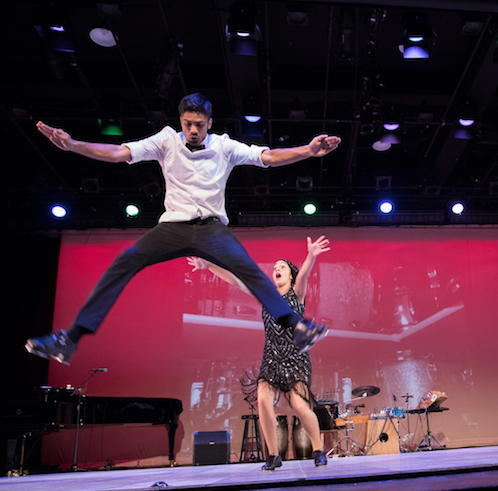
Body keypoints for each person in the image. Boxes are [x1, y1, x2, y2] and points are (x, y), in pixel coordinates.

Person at [25, 93, 340, 364]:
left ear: (210, 123)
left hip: (212, 230)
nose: (192, 130)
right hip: (172, 228)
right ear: (180, 121)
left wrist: (307, 151)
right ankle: (72, 338)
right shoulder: (166, 141)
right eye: (187, 123)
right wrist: (74, 145)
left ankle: (297, 327)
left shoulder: (225, 146)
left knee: (249, 269)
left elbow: (267, 157)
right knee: (125, 261)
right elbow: (121, 152)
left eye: (199, 124)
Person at [188, 235, 331, 469]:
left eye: (282, 267)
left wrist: (311, 255)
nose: (277, 269)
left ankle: (317, 448)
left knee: (299, 405)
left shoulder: (296, 294)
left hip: (296, 358)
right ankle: (273, 455)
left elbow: (304, 274)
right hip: (272, 358)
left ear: (289, 275)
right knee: (263, 401)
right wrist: (209, 265)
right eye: (275, 268)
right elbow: (236, 281)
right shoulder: (266, 298)